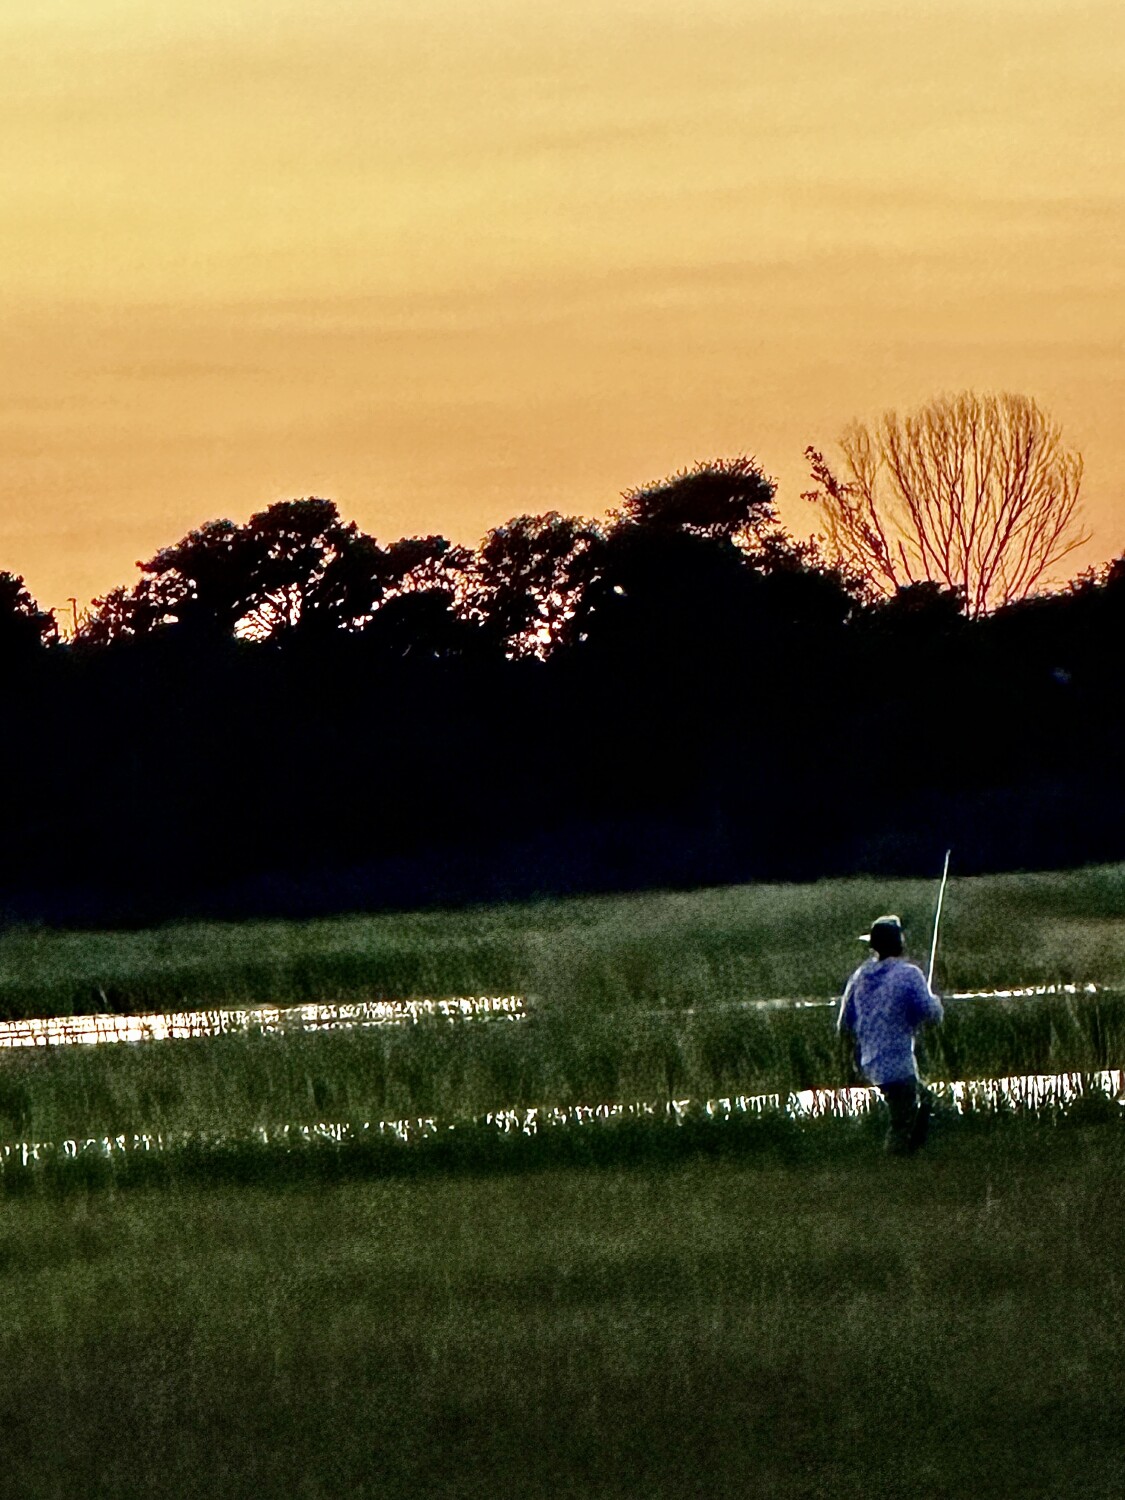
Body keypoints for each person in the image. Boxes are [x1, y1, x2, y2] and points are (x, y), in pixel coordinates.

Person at [837, 914, 943, 1154]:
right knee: (901, 1121)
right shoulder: (909, 974)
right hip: (898, 1063)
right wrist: (935, 1001)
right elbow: (931, 1014)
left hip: (871, 1062)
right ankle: (897, 1164)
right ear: (900, 943)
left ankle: (913, 1154)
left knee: (925, 1101)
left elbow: (844, 1023)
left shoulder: (860, 976)